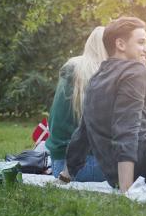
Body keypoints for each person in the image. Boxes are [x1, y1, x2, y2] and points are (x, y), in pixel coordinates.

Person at [64, 17, 146, 192]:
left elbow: (83, 132)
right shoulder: (135, 70)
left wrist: (65, 175)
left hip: (116, 174)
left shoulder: (97, 77)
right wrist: (127, 190)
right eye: (141, 42)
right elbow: (126, 128)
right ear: (120, 44)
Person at [46, 26, 109, 182]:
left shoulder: (72, 67)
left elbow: (54, 121)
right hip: (94, 166)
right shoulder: (109, 74)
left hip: (59, 165)